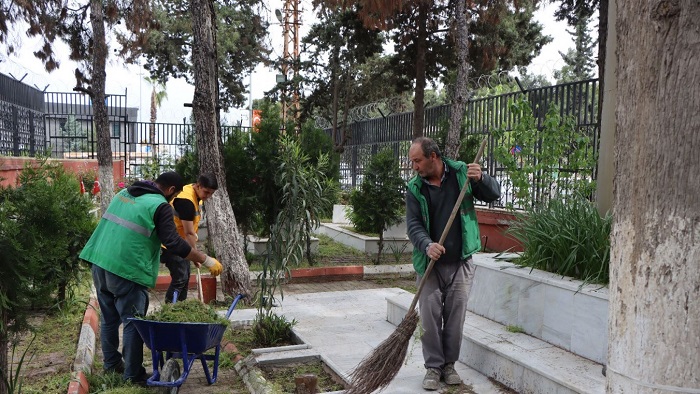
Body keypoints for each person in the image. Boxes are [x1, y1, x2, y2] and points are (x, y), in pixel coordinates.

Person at [79, 171, 223, 384]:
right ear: (171, 190)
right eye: (173, 197)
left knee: (109, 319)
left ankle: (112, 365)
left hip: (99, 262)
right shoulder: (160, 205)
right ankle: (132, 375)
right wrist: (206, 259)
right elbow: (173, 241)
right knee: (133, 322)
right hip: (126, 269)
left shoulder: (124, 193)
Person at [405, 137, 501, 391]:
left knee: (455, 316)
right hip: (430, 263)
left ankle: (449, 365)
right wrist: (427, 244)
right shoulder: (415, 187)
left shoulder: (462, 173)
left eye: (417, 160)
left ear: (433, 157)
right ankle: (433, 367)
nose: (414, 166)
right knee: (430, 317)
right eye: (412, 161)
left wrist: (482, 179)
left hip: (461, 261)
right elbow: (413, 225)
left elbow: (494, 194)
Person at [162, 173, 219, 303]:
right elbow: (189, 233)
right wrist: (195, 255)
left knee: (185, 277)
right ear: (198, 186)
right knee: (180, 278)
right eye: (206, 192)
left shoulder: (192, 192)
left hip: (182, 243)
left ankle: (181, 307)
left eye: (211, 194)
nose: (208, 197)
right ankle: (171, 309)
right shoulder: (186, 201)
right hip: (172, 244)